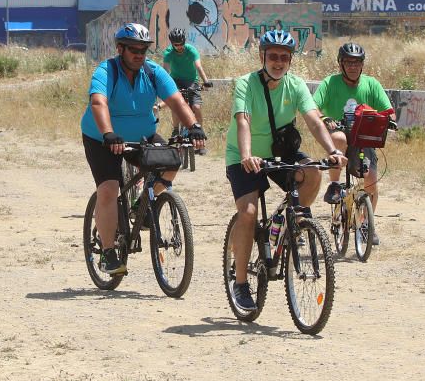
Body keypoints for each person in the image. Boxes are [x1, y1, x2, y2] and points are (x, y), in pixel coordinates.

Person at [225, 29, 346, 313]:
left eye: (284, 57)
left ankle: (293, 223)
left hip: (280, 152)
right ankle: (241, 282)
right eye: (273, 56)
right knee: (249, 213)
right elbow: (243, 121)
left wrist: (332, 151)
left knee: (313, 172)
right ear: (262, 57)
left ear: (290, 60)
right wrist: (246, 155)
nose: (278, 62)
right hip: (245, 156)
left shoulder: (295, 85)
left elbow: (314, 121)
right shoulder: (246, 84)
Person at [81, 23, 207, 275]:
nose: (139, 54)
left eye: (143, 50)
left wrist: (193, 126)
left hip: (142, 135)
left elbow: (176, 101)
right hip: (103, 139)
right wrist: (108, 133)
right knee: (109, 190)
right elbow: (98, 102)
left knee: (171, 162)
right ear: (120, 49)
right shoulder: (107, 71)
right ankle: (108, 252)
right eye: (133, 49)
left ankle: (140, 206)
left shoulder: (153, 72)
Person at [314, 42, 395, 245]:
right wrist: (325, 119)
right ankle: (334, 184)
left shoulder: (371, 84)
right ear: (341, 64)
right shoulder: (330, 83)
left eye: (357, 62)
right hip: (339, 135)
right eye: (348, 62)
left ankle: (367, 224)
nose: (353, 66)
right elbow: (313, 107)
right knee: (339, 138)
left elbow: (388, 109)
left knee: (371, 181)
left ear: (362, 64)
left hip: (362, 138)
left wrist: (389, 120)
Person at [160, 27, 212, 154]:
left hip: (191, 81)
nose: (179, 47)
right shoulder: (168, 53)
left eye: (181, 43)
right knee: (176, 105)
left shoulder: (191, 50)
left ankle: (199, 133)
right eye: (176, 45)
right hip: (175, 80)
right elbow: (165, 72)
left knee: (197, 107)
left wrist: (205, 81)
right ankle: (175, 129)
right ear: (172, 44)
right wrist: (163, 85)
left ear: (184, 41)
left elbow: (198, 66)